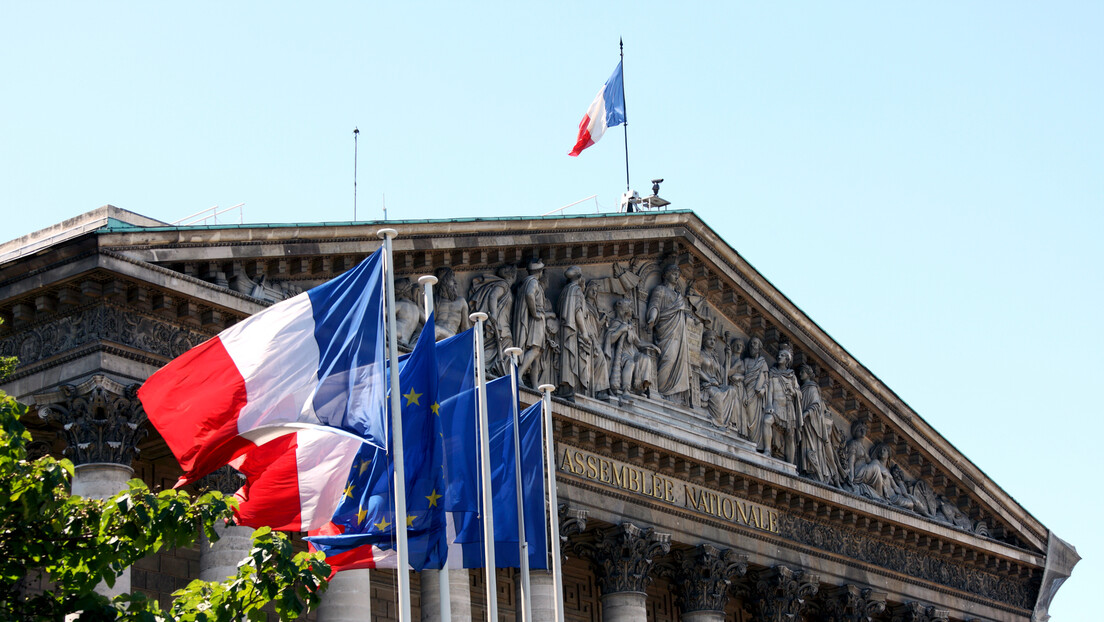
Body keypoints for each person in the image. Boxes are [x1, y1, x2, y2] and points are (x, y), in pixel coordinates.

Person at [645, 264, 692, 405]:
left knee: (679, 362)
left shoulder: (679, 297)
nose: (677, 276)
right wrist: (652, 318)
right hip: (665, 331)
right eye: (673, 273)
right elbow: (654, 306)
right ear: (665, 275)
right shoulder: (660, 290)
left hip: (679, 335)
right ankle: (662, 391)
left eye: (678, 274)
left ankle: (674, 395)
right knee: (668, 358)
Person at [467, 263, 517, 376]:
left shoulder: (507, 288)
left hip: (503, 322)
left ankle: (491, 367)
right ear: (512, 275)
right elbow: (493, 296)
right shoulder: (503, 285)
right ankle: (486, 366)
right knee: (505, 343)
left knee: (498, 346)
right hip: (500, 322)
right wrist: (493, 314)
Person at [513, 259, 555, 389]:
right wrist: (535, 312)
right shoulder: (533, 282)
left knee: (538, 353)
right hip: (535, 320)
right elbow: (529, 294)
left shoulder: (529, 282)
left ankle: (535, 385)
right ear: (540, 272)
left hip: (539, 319)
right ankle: (518, 374)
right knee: (535, 349)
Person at [797, 364, 841, 485]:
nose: (800, 374)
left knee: (812, 446)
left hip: (812, 423)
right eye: (800, 372)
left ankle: (814, 471)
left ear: (808, 374)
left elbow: (816, 405)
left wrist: (806, 413)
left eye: (802, 372)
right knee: (805, 444)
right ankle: (805, 469)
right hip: (804, 423)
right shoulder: (802, 388)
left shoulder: (812, 388)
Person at [605, 298, 657, 400]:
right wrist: (621, 330)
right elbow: (610, 339)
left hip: (633, 353)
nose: (631, 310)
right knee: (630, 363)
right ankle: (626, 390)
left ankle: (640, 388)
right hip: (622, 354)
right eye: (629, 307)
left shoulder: (630, 326)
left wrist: (652, 345)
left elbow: (639, 343)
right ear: (623, 309)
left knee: (645, 358)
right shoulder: (616, 323)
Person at [557, 266, 592, 399]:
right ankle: (572, 386)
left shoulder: (565, 290)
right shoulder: (576, 290)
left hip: (565, 329)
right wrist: (584, 332)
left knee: (567, 356)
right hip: (574, 330)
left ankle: (567, 385)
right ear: (579, 277)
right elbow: (578, 311)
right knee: (572, 357)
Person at [698, 330, 744, 429]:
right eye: (710, 339)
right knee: (717, 394)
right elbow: (696, 369)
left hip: (716, 385)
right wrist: (709, 380)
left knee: (732, 390)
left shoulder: (714, 358)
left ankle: (726, 422)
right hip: (706, 385)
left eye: (714, 340)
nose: (712, 341)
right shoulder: (701, 354)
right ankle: (719, 422)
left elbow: (723, 373)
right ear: (704, 340)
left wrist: (728, 357)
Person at [765, 344, 801, 463]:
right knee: (767, 421)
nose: (779, 357)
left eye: (782, 355)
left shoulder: (791, 376)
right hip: (775, 406)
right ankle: (767, 450)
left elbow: (799, 393)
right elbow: (770, 391)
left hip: (788, 408)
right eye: (779, 355)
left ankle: (790, 464)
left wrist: (793, 391)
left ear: (787, 359)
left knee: (790, 435)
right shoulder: (772, 373)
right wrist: (769, 405)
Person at [741, 337, 769, 451]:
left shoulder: (763, 363)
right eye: (751, 344)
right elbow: (742, 377)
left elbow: (766, 381)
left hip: (757, 396)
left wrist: (763, 390)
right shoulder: (746, 361)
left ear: (759, 347)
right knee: (748, 417)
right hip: (747, 392)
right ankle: (747, 441)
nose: (752, 345)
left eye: (755, 343)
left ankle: (756, 445)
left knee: (756, 420)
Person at [433, 266, 471, 340]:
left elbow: (465, 327)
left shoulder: (461, 301)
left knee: (435, 329)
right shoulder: (436, 300)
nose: (455, 283)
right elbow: (428, 321)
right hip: (437, 336)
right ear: (444, 282)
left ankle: (427, 347)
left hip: (451, 337)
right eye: (451, 280)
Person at [393, 277, 423, 351]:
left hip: (396, 333)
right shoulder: (417, 309)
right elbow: (429, 323)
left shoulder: (400, 305)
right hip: (406, 340)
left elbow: (382, 315)